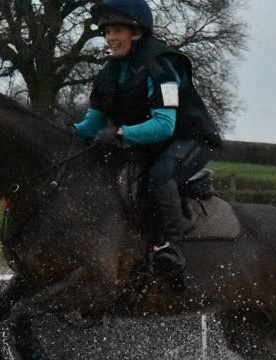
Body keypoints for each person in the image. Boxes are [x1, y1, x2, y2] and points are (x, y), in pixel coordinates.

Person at [73, 0, 222, 278]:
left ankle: (173, 249)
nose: (110, 38)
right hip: (151, 145)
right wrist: (68, 134)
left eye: (116, 30)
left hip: (189, 139)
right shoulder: (110, 72)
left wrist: (120, 133)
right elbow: (92, 122)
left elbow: (165, 125)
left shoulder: (162, 65)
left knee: (159, 175)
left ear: (137, 33)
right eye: (106, 32)